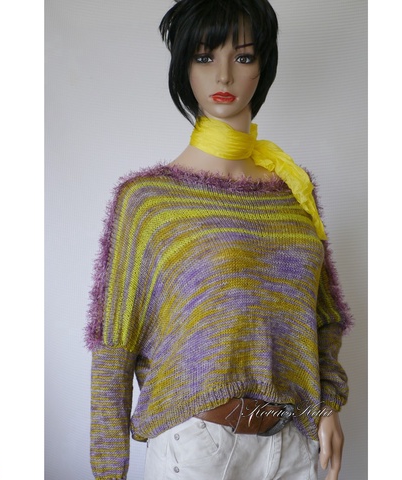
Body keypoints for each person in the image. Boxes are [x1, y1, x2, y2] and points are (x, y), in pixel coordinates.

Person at [85, 1, 352, 479]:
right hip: (198, 449)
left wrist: (326, 406)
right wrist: (109, 471)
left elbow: (324, 320)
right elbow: (115, 347)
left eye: (243, 56)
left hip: (294, 445)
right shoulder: (150, 201)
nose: (223, 75)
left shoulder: (294, 192)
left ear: (263, 67)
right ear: (183, 67)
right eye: (204, 56)